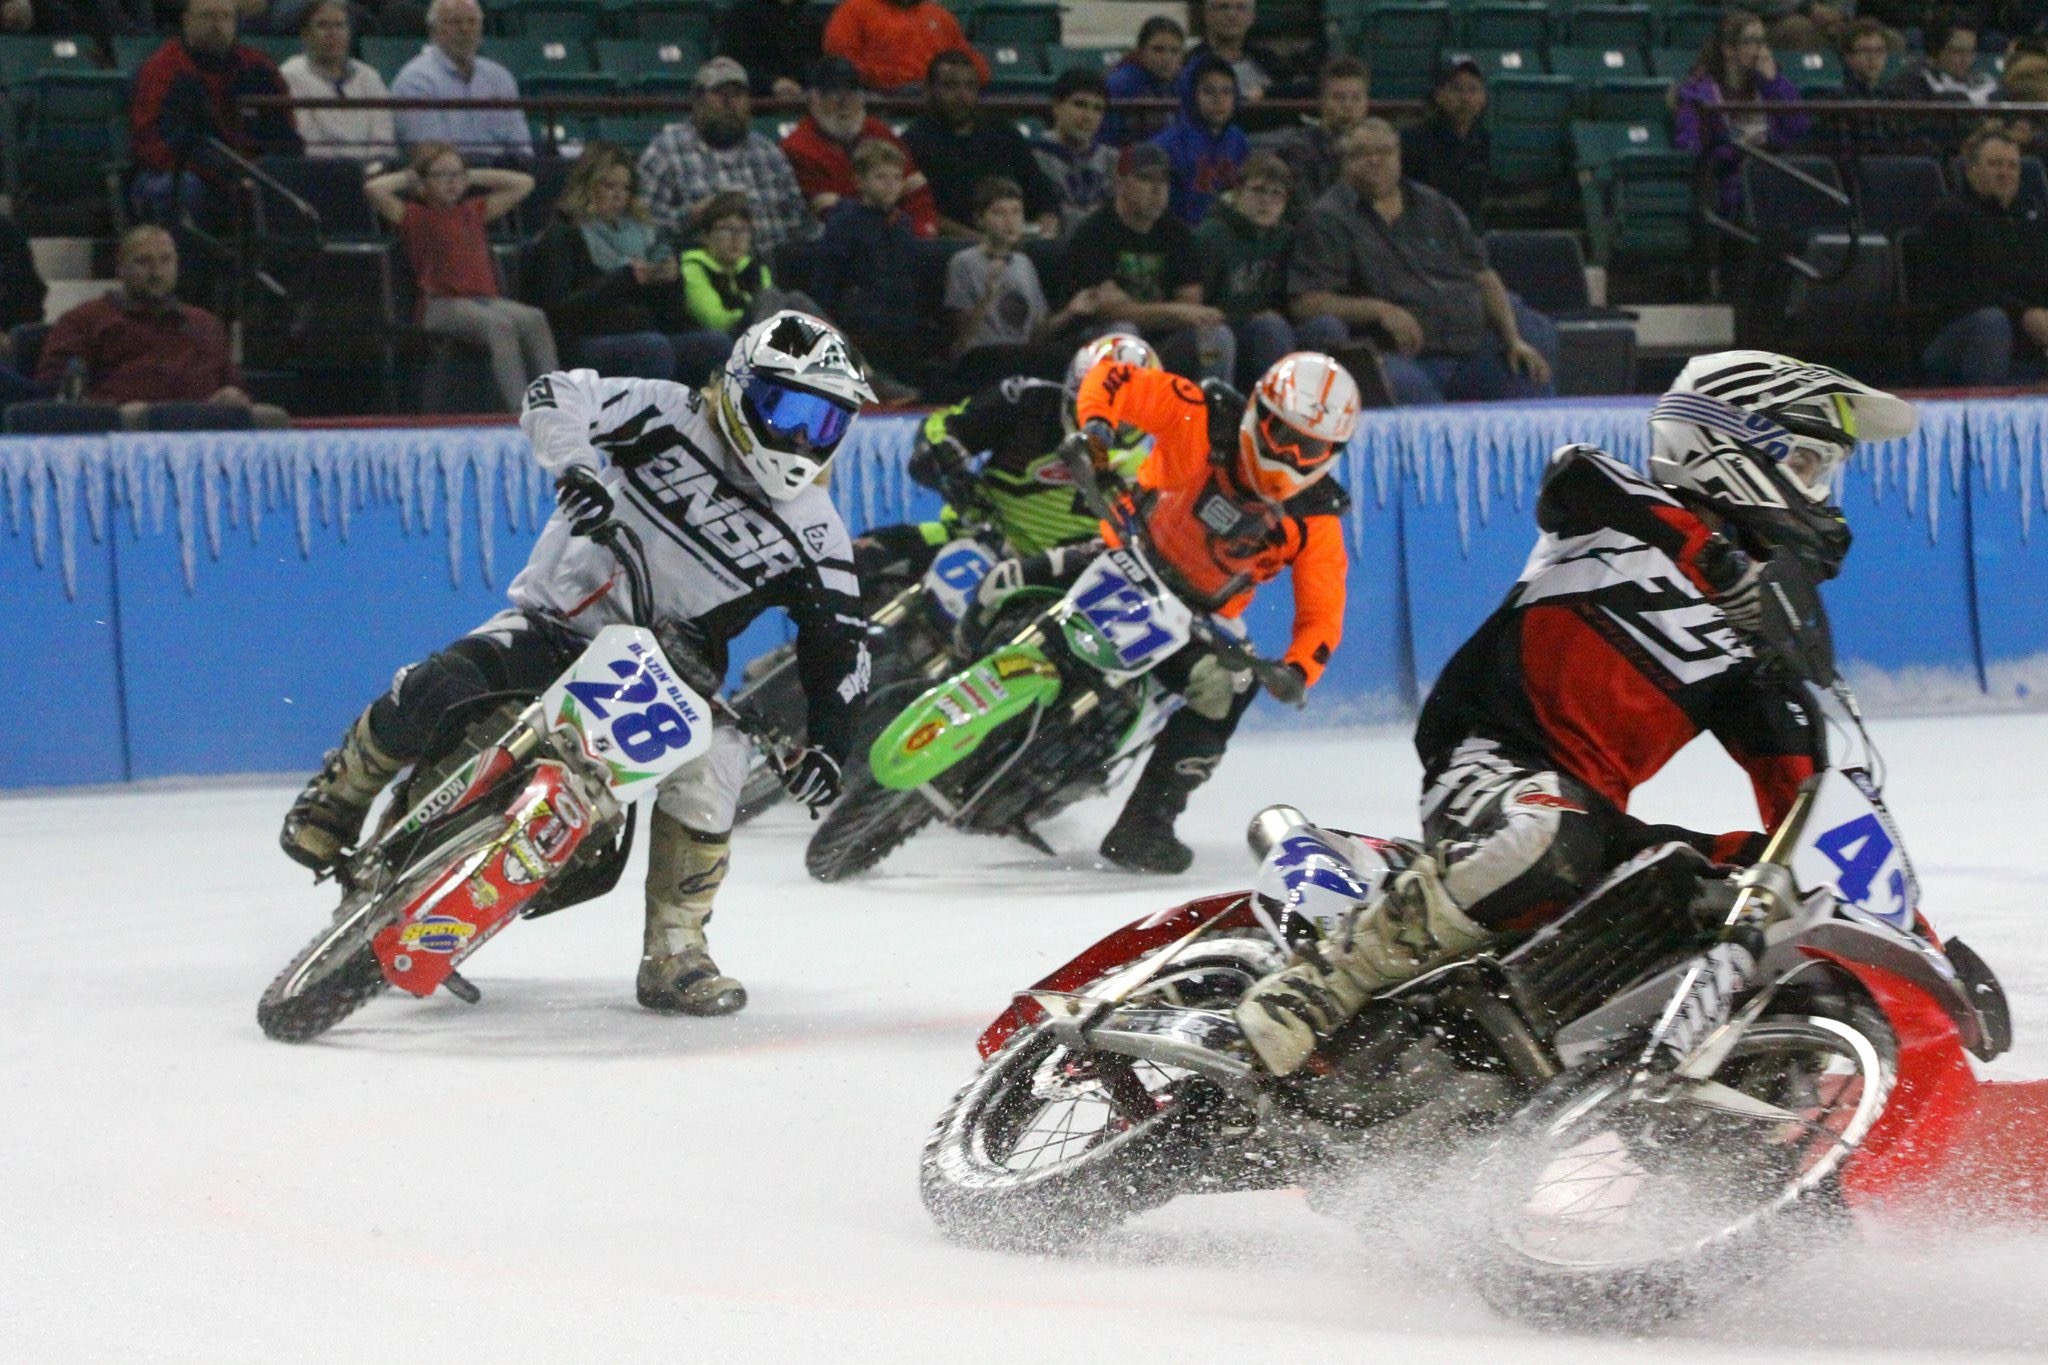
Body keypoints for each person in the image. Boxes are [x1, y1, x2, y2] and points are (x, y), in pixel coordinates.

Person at [1234, 352, 1918, 1076]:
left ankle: (1753, 1151)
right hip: (1493, 764)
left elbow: (1805, 813)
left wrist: (1898, 935)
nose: (1822, 495)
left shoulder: (1751, 660)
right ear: (1731, 445)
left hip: (1590, 826)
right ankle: (1319, 982)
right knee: (1555, 827)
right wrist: (1715, 562)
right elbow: (1577, 470)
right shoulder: (1615, 509)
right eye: (1809, 465)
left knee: (1756, 889)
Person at [279, 311, 876, 1017]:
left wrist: (832, 746)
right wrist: (575, 465)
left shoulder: (816, 527)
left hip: (666, 680)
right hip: (553, 625)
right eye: (791, 409)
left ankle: (677, 949)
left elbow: (841, 643)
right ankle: (339, 796)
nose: (805, 439)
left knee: (718, 763)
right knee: (439, 682)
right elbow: (553, 392)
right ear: (741, 386)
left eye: (828, 423)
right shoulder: (665, 411)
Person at [1061, 350, 1360, 871]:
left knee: (1229, 689)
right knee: (1006, 578)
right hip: (1121, 548)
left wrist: (1297, 670)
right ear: (1255, 411)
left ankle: (1147, 823)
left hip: (1194, 620)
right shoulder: (1198, 411)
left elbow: (1322, 611)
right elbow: (1113, 380)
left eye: (1306, 446)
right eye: (1277, 432)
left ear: (1330, 453)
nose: (1286, 453)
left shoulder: (1316, 519)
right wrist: (1096, 434)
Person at [1290, 120, 1557, 405]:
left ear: (1399, 156)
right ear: (1344, 162)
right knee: (1416, 403)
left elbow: (1482, 275)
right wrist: (1380, 310)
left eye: (1384, 152)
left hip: (1472, 346)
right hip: (1394, 354)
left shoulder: (1436, 206)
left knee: (1529, 374)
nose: (1375, 160)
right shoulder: (1327, 219)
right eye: (1361, 153)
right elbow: (1306, 302)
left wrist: (1514, 339)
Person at [367, 142, 559, 412]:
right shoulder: (413, 215)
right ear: (423, 183)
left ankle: (554, 407)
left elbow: (524, 183)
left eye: (457, 175)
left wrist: (471, 175)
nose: (452, 182)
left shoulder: (474, 211)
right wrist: (413, 176)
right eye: (442, 176)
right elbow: (374, 189)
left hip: (483, 299)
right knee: (499, 326)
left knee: (534, 318)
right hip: (442, 304)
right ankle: (519, 412)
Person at [36, 225, 287, 426]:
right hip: (126, 426)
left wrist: (233, 394)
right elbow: (58, 388)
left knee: (271, 417)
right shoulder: (85, 319)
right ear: (120, 267)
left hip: (201, 421)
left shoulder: (206, 323)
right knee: (136, 418)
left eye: (166, 261)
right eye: (143, 262)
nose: (156, 272)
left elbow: (234, 383)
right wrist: (108, 409)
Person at [527, 143, 734, 386]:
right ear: (587, 185)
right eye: (609, 186)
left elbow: (673, 317)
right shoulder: (563, 234)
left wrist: (670, 281)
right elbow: (559, 314)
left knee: (714, 344)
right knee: (652, 348)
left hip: (643, 331)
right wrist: (625, 279)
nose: (619, 196)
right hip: (585, 338)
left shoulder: (643, 233)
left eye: (625, 188)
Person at [1063, 142, 1235, 384]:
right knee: (1124, 335)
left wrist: (1167, 313)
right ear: (1120, 183)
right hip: (1097, 339)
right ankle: (1125, 418)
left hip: (1163, 337)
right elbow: (1106, 310)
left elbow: (1191, 305)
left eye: (1164, 181)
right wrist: (1173, 312)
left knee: (1215, 334)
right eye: (1146, 179)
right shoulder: (1094, 232)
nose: (1157, 189)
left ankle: (1211, 412)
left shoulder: (1177, 232)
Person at [130, 0, 303, 225]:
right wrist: (223, 173)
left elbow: (284, 133)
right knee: (180, 188)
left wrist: (261, 169)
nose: (217, 25)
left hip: (250, 172)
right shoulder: (163, 68)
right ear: (187, 20)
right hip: (181, 172)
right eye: (207, 16)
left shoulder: (258, 66)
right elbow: (154, 145)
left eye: (225, 17)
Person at [1909, 123, 2048, 385]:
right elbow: (1962, 292)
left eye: (2012, 166)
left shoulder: (2032, 215)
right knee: (1992, 323)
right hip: (1958, 335)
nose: (2005, 173)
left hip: (2023, 332)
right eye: (1995, 164)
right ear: (1972, 170)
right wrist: (2024, 315)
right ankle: (1989, 416)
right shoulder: (1949, 217)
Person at [942, 176, 1106, 395]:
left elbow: (1036, 333)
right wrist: (988, 296)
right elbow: (960, 340)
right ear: (980, 220)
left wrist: (1070, 311)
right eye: (999, 213)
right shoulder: (963, 262)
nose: (1009, 221)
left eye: (1016, 212)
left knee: (1079, 355)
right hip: (982, 355)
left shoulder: (1024, 263)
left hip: (1022, 353)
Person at [639, 56, 816, 254]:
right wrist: (690, 216)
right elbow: (642, 226)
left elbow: (798, 221)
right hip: (703, 271)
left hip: (774, 268)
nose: (729, 103)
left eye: (737, 95)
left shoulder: (768, 153)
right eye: (720, 95)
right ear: (697, 100)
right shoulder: (665, 151)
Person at [810, 138, 940, 395]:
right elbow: (829, 278)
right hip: (862, 321)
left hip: (901, 318)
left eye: (896, 177)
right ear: (860, 181)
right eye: (881, 177)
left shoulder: (902, 223)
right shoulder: (845, 222)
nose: (891, 185)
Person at [901, 49, 1062, 239]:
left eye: (970, 86)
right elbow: (917, 213)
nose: (962, 95)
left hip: (1014, 240)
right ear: (928, 90)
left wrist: (1047, 223)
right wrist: (979, 242)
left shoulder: (1003, 132)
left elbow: (1039, 188)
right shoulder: (914, 142)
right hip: (950, 248)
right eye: (950, 86)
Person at [781, 55, 939, 237]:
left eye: (852, 93)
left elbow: (918, 195)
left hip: (902, 239)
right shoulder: (798, 147)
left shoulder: (879, 131)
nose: (844, 103)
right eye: (833, 94)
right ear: (815, 98)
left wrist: (920, 236)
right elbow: (833, 216)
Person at [1675, 9, 1809, 217]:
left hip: (1772, 173)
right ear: (1729, 49)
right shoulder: (1699, 93)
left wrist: (1773, 84)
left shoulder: (1771, 84)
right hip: (1725, 181)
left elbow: (1798, 129)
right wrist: (1738, 147)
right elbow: (1691, 146)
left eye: (1763, 41)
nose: (1760, 51)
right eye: (1752, 42)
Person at [1193, 152, 1299, 389]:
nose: (1266, 201)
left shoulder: (1287, 237)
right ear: (1238, 192)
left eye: (1276, 194)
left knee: (1321, 327)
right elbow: (1197, 304)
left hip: (1272, 328)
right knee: (1268, 328)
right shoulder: (1211, 235)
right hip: (1222, 327)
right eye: (1258, 190)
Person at [389, 0, 532, 163]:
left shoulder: (500, 77)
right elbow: (429, 155)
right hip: (442, 179)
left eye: (472, 22)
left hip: (501, 176)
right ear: (433, 31)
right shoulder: (415, 81)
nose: (465, 29)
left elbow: (521, 145)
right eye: (454, 22)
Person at [278, 0, 396, 164]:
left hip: (373, 175)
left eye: (340, 25)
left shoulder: (369, 77)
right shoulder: (289, 76)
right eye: (323, 25)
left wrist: (373, 171)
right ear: (305, 34)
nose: (332, 33)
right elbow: (308, 141)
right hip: (319, 173)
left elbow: (383, 138)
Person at [1152, 52, 1247, 226]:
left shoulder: (1238, 139)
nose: (1219, 100)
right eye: (1208, 91)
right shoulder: (1167, 145)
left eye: (1227, 92)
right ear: (1191, 95)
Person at [822, 0, 988, 93]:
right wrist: (898, 79)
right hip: (883, 103)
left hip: (939, 102)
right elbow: (841, 65)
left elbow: (973, 64)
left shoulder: (940, 15)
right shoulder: (854, 10)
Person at [1401, 57, 1490, 230]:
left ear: (1484, 97)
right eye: (1456, 89)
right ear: (1439, 95)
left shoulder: (1486, 140)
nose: (1465, 98)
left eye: (1473, 90)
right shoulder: (1413, 140)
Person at [1029, 66, 1117, 234]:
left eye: (1097, 109)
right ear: (1057, 106)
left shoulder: (1112, 160)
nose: (1088, 116)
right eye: (1080, 105)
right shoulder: (1032, 158)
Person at [1275, 55, 1370, 208]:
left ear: (1366, 102)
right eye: (1339, 98)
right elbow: (1305, 210)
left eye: (1356, 98)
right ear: (1322, 101)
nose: (1348, 106)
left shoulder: (1376, 149)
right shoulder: (1299, 149)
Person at [679, 192, 775, 338]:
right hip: (723, 337)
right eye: (726, 229)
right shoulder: (693, 267)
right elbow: (714, 320)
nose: (736, 238)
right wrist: (753, 313)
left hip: (762, 330)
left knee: (795, 299)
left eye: (743, 230)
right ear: (705, 235)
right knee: (769, 300)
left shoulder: (755, 267)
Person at [720, 0, 827, 100]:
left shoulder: (810, 15)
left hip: (806, 103)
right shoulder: (743, 14)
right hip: (759, 105)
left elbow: (819, 65)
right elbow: (728, 68)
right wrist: (771, 84)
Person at [1104, 14, 1185, 145]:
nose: (1167, 58)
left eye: (1175, 51)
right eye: (1158, 50)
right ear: (1140, 51)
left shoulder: (1185, 84)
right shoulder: (1119, 85)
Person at [1885, 11, 1996, 105]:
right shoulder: (1914, 85)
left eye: (1970, 51)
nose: (1966, 59)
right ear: (1936, 52)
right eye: (1957, 51)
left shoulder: (1985, 82)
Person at [1178, 0, 1277, 102]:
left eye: (1240, 8)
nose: (1231, 14)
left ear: (1252, 16)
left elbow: (1291, 88)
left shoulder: (1267, 59)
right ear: (1207, 15)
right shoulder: (1190, 60)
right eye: (1223, 7)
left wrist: (1266, 92)